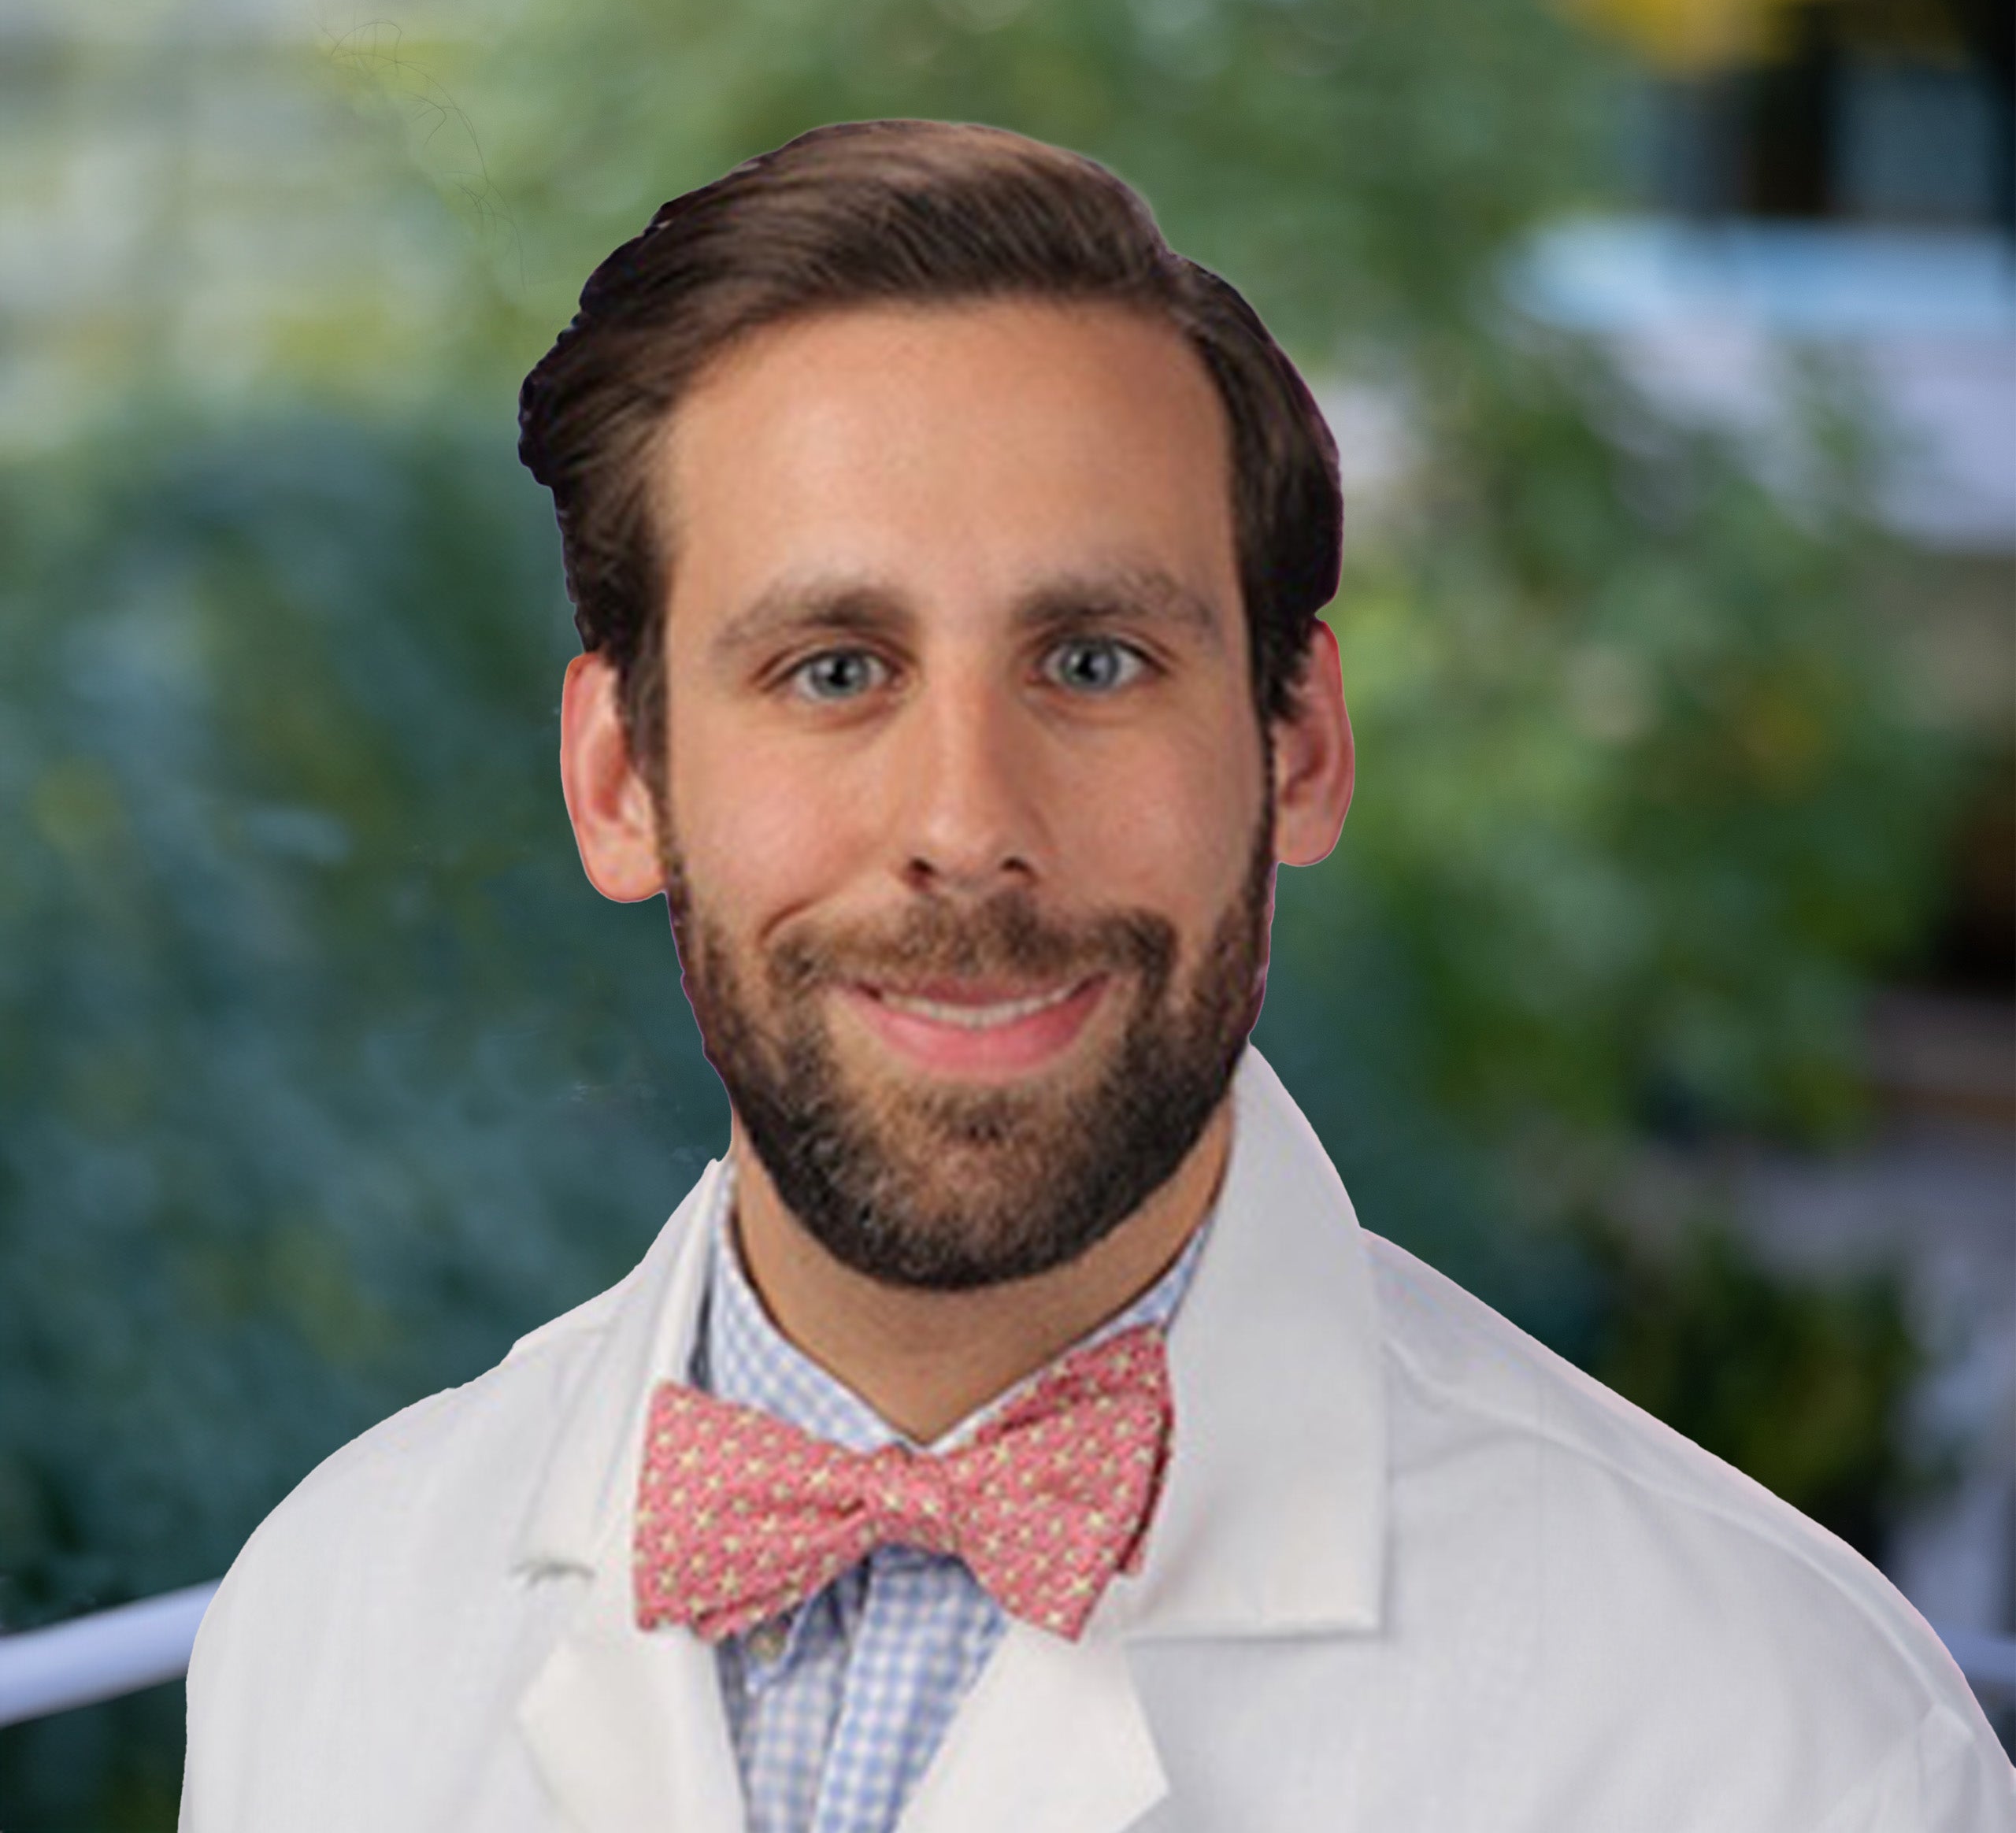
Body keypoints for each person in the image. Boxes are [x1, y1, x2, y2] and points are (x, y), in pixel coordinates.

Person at [179, 120, 2013, 1832]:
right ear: (619, 778)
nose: (967, 824)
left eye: (1093, 661)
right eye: (832, 667)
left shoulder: (1776, 1734)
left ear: (1295, 744)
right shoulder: (328, 1610)